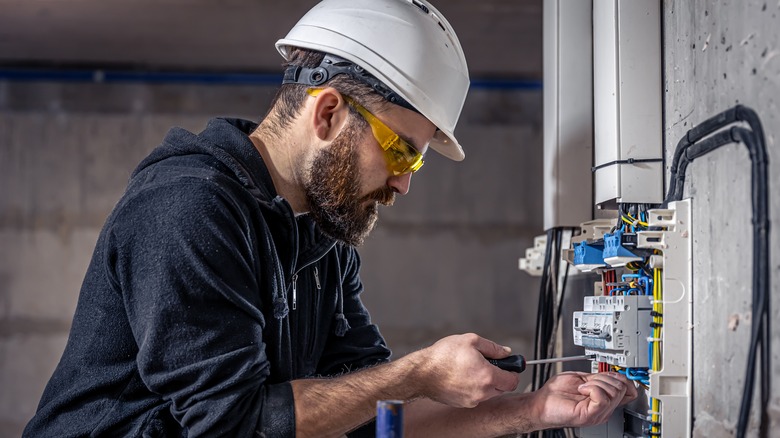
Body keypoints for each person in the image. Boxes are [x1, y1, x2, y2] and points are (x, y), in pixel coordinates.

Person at [24, 0, 636, 436]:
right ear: (328, 114)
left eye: (415, 166)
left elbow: (370, 412)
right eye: (400, 151)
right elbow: (233, 426)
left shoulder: (323, 236)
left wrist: (532, 411)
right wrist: (418, 371)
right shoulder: (189, 209)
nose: (401, 182)